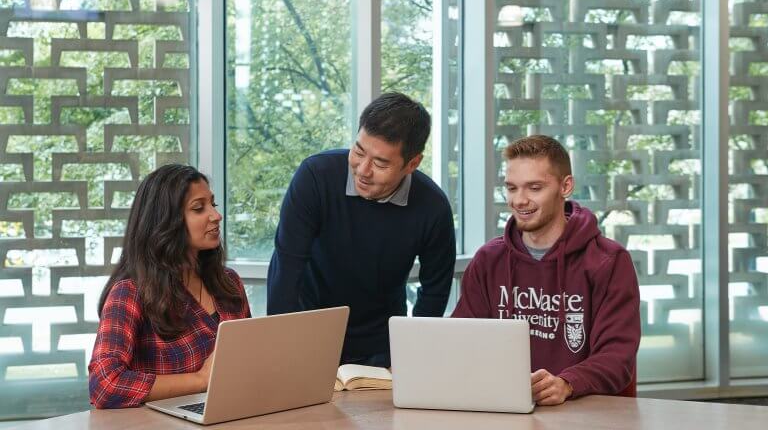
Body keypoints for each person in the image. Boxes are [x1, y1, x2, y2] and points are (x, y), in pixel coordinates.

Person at [267, 92, 456, 367]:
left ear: (412, 163)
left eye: (380, 163)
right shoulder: (315, 177)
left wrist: (412, 355)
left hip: (382, 345)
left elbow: (434, 291)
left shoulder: (433, 207)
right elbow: (286, 267)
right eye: (358, 151)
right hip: (309, 334)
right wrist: (282, 347)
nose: (363, 170)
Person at [452, 135, 640, 405]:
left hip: (589, 415)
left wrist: (566, 383)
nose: (519, 200)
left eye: (534, 188)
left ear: (566, 186)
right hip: (504, 410)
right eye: (512, 188)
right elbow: (462, 342)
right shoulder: (489, 260)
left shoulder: (608, 261)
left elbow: (617, 357)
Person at [88, 164, 251, 409]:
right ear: (165, 222)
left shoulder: (229, 283)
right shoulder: (130, 293)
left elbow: (252, 358)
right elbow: (105, 385)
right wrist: (201, 379)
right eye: (199, 208)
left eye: (213, 205)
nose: (216, 216)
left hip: (235, 415)